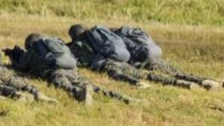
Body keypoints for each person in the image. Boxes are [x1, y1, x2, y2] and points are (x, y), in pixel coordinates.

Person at [6, 34, 137, 105]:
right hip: (71, 70)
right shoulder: (56, 42)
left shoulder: (34, 48)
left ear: (29, 45)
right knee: (93, 86)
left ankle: (79, 93)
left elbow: (22, 67)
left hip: (55, 71)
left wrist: (12, 57)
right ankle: (122, 97)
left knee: (66, 86)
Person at [67, 24, 196, 90]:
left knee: (126, 75)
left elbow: (77, 62)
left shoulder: (76, 45)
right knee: (163, 68)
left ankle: (139, 83)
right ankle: (193, 80)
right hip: (124, 57)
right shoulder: (99, 35)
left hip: (107, 63)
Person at [112, 25, 224, 91]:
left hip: (138, 60)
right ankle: (213, 82)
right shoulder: (126, 31)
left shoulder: (110, 38)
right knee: (175, 72)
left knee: (150, 76)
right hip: (153, 55)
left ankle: (184, 84)